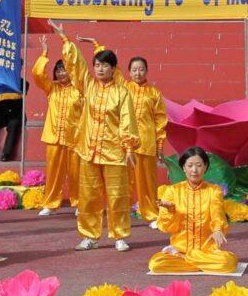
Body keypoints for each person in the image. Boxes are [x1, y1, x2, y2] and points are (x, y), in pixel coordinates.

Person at [51, 21, 139, 252]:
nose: (100, 69)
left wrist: (129, 149)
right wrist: (65, 39)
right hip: (88, 150)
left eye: (104, 65)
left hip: (114, 153)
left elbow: (128, 122)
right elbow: (77, 65)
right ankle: (90, 235)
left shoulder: (122, 93)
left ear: (113, 69)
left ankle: (119, 235)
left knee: (118, 195)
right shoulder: (87, 85)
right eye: (97, 65)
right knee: (88, 196)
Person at [78, 36, 167, 228]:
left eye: (141, 69)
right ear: (127, 72)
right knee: (123, 183)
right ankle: (117, 213)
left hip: (146, 142)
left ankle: (150, 212)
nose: (137, 72)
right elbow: (106, 65)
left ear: (147, 71)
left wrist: (160, 144)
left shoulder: (154, 93)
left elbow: (160, 120)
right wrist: (96, 45)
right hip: (120, 144)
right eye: (134, 69)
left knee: (147, 182)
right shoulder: (123, 88)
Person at [148, 147, 239, 274]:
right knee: (156, 264)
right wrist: (170, 210)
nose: (194, 170)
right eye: (190, 165)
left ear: (205, 167)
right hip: (181, 249)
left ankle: (188, 260)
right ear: (183, 168)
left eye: (199, 165)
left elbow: (216, 210)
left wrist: (218, 228)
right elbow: (165, 227)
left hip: (206, 251)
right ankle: (196, 261)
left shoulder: (213, 190)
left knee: (228, 263)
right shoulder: (172, 191)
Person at [32, 36, 83, 216]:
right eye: (59, 70)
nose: (62, 74)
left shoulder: (79, 90)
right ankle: (51, 203)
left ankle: (78, 203)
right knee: (53, 172)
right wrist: (44, 53)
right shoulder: (51, 88)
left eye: (65, 70)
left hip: (75, 138)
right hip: (53, 137)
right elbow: (37, 74)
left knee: (76, 173)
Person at [0, 88, 25, 162]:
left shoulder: (20, 82)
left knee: (13, 125)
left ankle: (6, 154)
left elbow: (25, 90)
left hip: (14, 114)